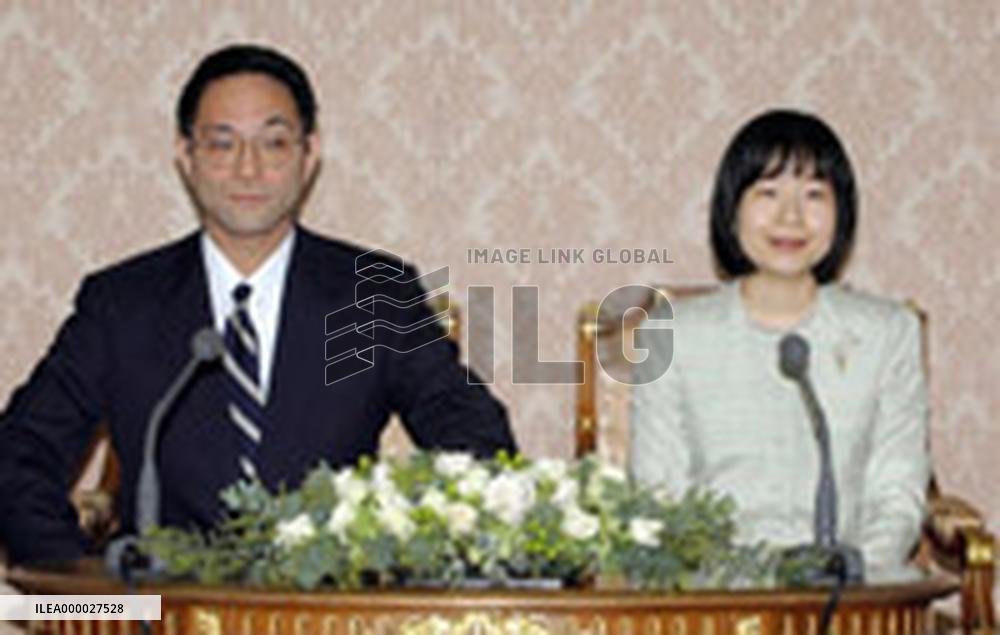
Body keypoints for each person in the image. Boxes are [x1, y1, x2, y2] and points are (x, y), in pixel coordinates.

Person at [0, 44, 516, 565]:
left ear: (308, 154)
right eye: (223, 144)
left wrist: (403, 556)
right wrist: (82, 591)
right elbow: (19, 454)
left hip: (324, 611)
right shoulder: (123, 304)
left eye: (273, 143)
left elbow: (475, 442)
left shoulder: (370, 294)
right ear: (186, 155)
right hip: (161, 613)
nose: (248, 169)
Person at [630, 109, 930, 581]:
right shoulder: (670, 334)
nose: (791, 217)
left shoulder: (888, 333)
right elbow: (658, 493)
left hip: (850, 597)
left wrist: (852, 574)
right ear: (732, 210)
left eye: (814, 195)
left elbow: (897, 489)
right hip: (716, 600)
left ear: (841, 214)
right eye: (767, 193)